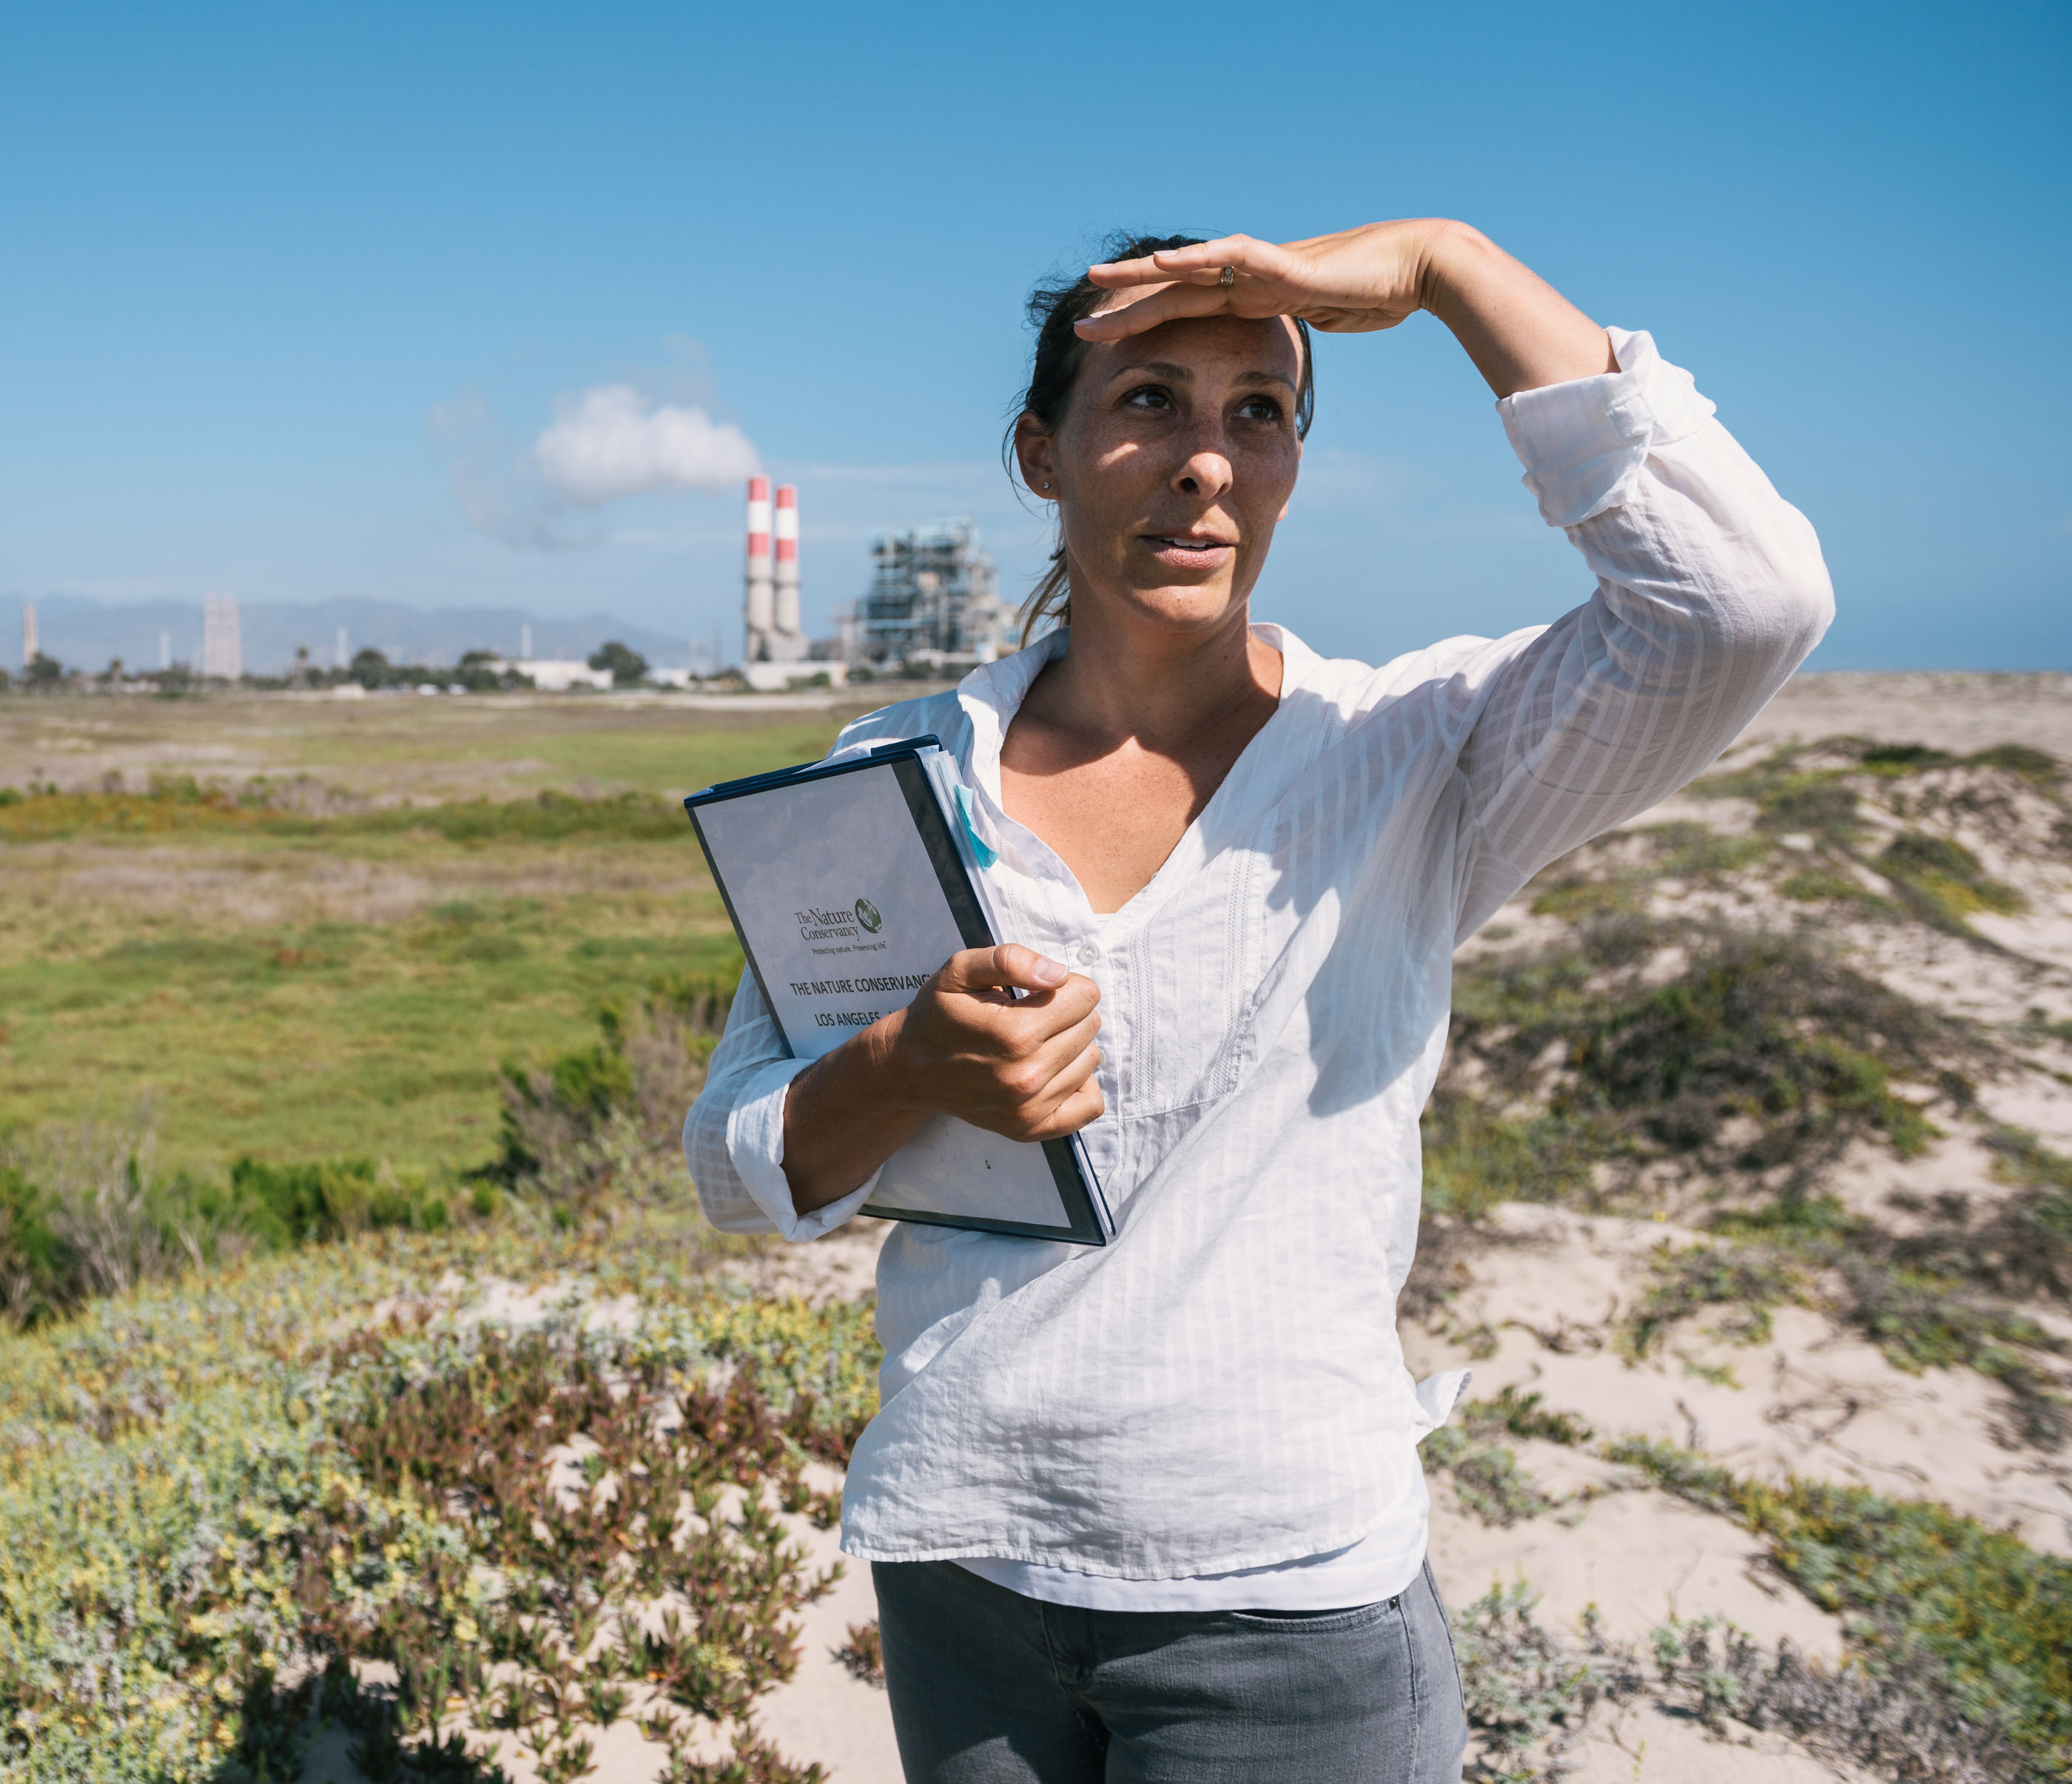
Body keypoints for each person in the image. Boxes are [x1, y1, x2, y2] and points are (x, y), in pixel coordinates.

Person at [682, 220, 1833, 1783]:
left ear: (1291, 461)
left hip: (1282, 1603)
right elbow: (734, 1166)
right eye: (1148, 400)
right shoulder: (889, 778)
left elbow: (1740, 603)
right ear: (1041, 452)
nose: (1204, 462)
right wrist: (900, 1064)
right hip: (960, 1559)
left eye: (1257, 412)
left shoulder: (1414, 751)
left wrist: (1439, 271)